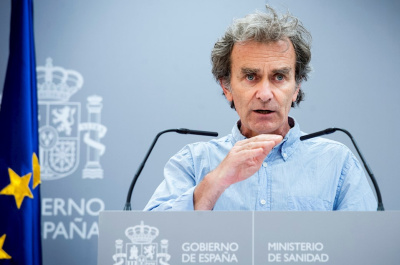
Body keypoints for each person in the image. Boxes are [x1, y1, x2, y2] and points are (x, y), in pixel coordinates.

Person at [144, 6, 377, 211]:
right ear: (226, 87)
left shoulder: (337, 162)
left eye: (278, 76)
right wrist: (214, 182)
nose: (265, 94)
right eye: (250, 76)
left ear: (297, 87)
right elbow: (154, 242)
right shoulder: (194, 162)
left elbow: (366, 250)